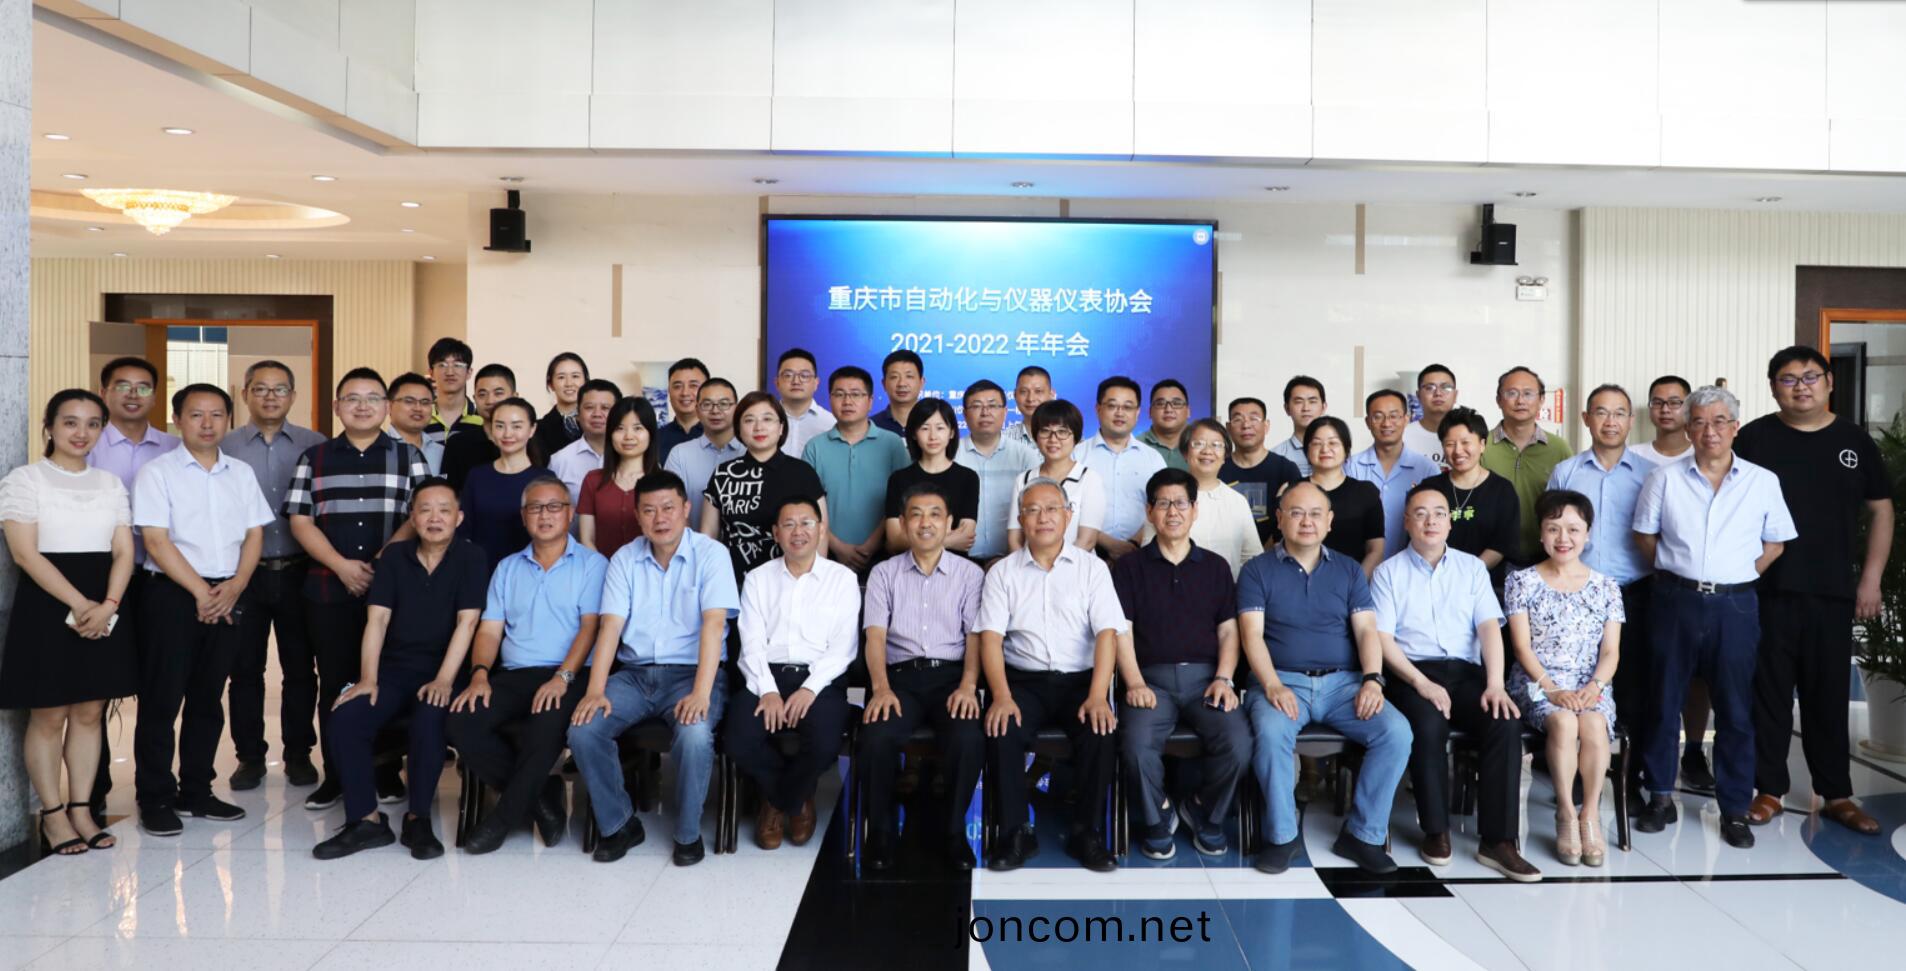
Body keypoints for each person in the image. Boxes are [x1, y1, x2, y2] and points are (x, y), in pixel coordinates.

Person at [1632, 386, 1796, 849]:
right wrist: (1680, 574)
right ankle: (1659, 796)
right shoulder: (1664, 479)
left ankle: (1735, 809)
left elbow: (1775, 544)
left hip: (1736, 606)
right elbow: (1645, 536)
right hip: (1675, 600)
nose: (1710, 431)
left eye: (1720, 421)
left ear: (1735, 427)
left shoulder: (1762, 481)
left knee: (1736, 709)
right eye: (1700, 422)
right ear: (1688, 429)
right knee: (1664, 700)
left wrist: (1738, 576)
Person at [1737, 346, 1892, 835]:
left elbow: (1881, 510)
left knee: (1827, 695)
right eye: (1788, 379)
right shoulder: (1754, 438)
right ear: (1773, 388)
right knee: (1769, 694)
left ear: (1829, 382)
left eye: (1810, 376)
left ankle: (1837, 794)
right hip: (1767, 589)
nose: (1800, 386)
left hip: (1832, 591)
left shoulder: (1854, 441)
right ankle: (1769, 789)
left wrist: (1871, 579)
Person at [1237, 482, 1411, 876]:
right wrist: (1272, 684)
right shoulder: (1257, 570)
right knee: (1270, 733)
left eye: (1316, 513)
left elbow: (1366, 631)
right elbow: (1251, 636)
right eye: (1296, 512)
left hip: (1344, 685)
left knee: (1396, 732)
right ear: (1279, 518)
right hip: (1282, 682)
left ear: (1329, 521)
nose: (1306, 521)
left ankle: (1363, 835)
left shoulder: (1349, 570)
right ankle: (1282, 837)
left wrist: (1372, 680)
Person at [569, 471, 740, 866]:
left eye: (668, 508)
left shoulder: (711, 554)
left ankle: (688, 834)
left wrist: (700, 693)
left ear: (686, 508)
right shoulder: (625, 558)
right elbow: (610, 627)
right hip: (633, 675)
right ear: (637, 516)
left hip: (691, 674)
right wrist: (595, 690)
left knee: (694, 734)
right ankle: (619, 824)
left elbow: (714, 624)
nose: (659, 518)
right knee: (583, 728)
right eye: (648, 510)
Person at [313, 477, 489, 860]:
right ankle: (366, 821)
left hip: (446, 669)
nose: (434, 518)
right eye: (425, 510)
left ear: (459, 517)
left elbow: (468, 623)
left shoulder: (472, 557)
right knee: (346, 717)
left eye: (444, 510)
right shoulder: (395, 557)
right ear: (412, 517)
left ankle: (418, 818)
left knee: (429, 718)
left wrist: (444, 679)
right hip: (393, 668)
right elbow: (376, 620)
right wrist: (368, 678)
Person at [285, 368, 433, 812]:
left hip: (395, 593)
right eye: (352, 398)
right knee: (335, 681)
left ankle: (384, 771)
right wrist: (341, 566)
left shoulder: (409, 457)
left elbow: (422, 516)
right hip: (328, 590)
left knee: (386, 679)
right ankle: (336, 776)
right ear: (337, 407)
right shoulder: (314, 458)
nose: (362, 406)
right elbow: (300, 520)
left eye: (372, 398)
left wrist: (381, 564)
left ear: (386, 406)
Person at [1374, 485, 1539, 880]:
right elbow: (1382, 640)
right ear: (1406, 521)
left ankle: (1498, 841)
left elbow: (1489, 628)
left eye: (1438, 513)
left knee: (1504, 721)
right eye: (1420, 513)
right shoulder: (1388, 572)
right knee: (1427, 724)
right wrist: (1421, 683)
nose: (1430, 521)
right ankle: (1436, 830)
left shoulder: (1472, 569)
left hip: (1466, 674)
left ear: (1450, 522)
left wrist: (1495, 684)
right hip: (1412, 673)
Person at [132, 383, 276, 836]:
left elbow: (254, 534)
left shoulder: (240, 472)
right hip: (171, 595)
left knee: (208, 698)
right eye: (196, 414)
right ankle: (155, 797)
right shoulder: (157, 472)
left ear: (228, 420)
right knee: (162, 700)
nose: (208, 423)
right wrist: (201, 591)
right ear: (178, 420)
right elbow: (155, 540)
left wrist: (236, 585)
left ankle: (196, 790)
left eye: (217, 414)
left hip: (229, 592)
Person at [0, 390, 136, 856]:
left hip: (104, 601)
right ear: (50, 427)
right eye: (71, 422)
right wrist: (81, 604)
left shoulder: (109, 483)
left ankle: (82, 809)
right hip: (47, 604)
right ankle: (54, 816)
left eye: (93, 424)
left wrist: (109, 604)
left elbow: (124, 550)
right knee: (49, 713)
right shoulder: (25, 480)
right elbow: (25, 554)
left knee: (89, 712)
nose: (82, 433)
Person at [448, 475, 607, 854]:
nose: (545, 515)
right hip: (514, 674)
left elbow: (590, 628)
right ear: (523, 516)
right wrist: (480, 675)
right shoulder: (507, 567)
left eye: (554, 507)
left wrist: (562, 677)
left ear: (570, 513)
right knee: (459, 720)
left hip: (570, 674)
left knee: (545, 725)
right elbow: (489, 631)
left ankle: (501, 821)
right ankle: (540, 797)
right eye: (535, 508)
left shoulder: (593, 564)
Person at [980, 477, 1126, 873]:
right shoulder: (1002, 573)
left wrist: (1098, 695)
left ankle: (1086, 832)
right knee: (1001, 729)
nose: (1042, 517)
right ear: (1021, 519)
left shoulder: (1093, 569)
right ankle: (1014, 833)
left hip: (1080, 682)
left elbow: (1107, 634)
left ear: (1068, 515)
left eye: (1051, 509)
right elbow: (990, 639)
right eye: (1032, 510)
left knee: (1101, 731)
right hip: (1023, 682)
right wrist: (1001, 696)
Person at [1114, 469, 1250, 861]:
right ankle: (1158, 817)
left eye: (1180, 503)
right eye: (1162, 503)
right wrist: (1134, 682)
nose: (1172, 512)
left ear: (1194, 510)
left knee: (1239, 744)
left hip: (1206, 681)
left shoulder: (1216, 567)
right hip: (1150, 682)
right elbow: (1121, 632)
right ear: (1149, 512)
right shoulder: (1129, 568)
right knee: (1136, 746)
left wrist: (1224, 678)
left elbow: (1229, 631)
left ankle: (1204, 811)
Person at [859, 482, 987, 871]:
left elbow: (975, 637)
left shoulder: (970, 574)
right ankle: (881, 832)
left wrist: (968, 686)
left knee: (967, 737)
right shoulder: (884, 573)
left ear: (949, 523)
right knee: (876, 736)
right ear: (902, 523)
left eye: (935, 515)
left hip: (951, 679)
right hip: (899, 679)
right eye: (916, 515)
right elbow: (875, 637)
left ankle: (953, 831)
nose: (925, 523)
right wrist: (880, 688)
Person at [725, 497, 858, 850]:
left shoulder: (842, 579)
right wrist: (768, 690)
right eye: (789, 524)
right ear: (775, 533)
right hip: (764, 675)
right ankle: (794, 798)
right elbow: (750, 642)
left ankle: (778, 800)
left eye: (806, 523)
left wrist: (810, 689)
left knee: (826, 742)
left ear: (821, 529)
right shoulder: (757, 579)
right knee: (736, 738)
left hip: (821, 679)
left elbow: (843, 648)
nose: (798, 532)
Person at [220, 360, 326, 792]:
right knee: (244, 669)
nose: (270, 397)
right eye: (260, 388)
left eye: (280, 389)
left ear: (293, 396)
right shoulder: (224, 445)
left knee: (301, 668)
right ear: (245, 394)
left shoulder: (315, 445)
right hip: (243, 575)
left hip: (300, 570)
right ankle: (249, 757)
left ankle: (299, 754)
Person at [1546, 384, 1655, 803]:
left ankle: (1631, 781)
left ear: (1631, 420)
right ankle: (1578, 776)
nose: (1611, 422)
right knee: (1579, 685)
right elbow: (1553, 534)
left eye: (1619, 413)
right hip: (1578, 595)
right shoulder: (1567, 472)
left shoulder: (1650, 474)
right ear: (1586, 418)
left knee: (1635, 689)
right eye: (1602, 412)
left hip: (1636, 592)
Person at [1506, 490, 1625, 868]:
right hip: (1536, 682)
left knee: (1593, 723)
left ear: (1587, 534)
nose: (1563, 538)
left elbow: (1611, 652)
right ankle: (1565, 813)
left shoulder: (1606, 586)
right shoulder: (1521, 581)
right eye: (1553, 528)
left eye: (1573, 529)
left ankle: (1589, 814)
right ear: (1541, 533)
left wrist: (1595, 687)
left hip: (1591, 683)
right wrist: (1553, 689)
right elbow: (1522, 647)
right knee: (1563, 721)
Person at [702, 391, 829, 580]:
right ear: (738, 429)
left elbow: (820, 532)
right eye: (749, 420)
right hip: (733, 581)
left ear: (781, 427)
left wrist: (814, 582)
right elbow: (708, 536)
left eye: (767, 419)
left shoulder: (802, 472)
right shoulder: (723, 474)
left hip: (791, 582)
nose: (759, 427)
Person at [804, 366, 910, 574]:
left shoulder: (892, 444)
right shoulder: (815, 447)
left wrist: (872, 544)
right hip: (828, 555)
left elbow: (903, 499)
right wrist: (837, 546)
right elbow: (807, 506)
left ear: (870, 401)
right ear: (830, 399)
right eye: (839, 394)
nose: (847, 401)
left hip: (885, 555)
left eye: (856, 394)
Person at [1137, 419, 1259, 576]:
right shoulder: (1166, 496)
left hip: (1226, 588)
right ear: (1185, 452)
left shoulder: (1238, 501)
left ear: (1225, 456)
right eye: (1199, 444)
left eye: (1216, 445)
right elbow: (1148, 552)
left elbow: (1252, 557)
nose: (1207, 451)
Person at [1481, 367, 1573, 567]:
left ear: (1541, 400)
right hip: (1491, 557)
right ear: (1498, 400)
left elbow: (1570, 505)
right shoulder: (1481, 446)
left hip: (1547, 557)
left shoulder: (1559, 448)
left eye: (1528, 393)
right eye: (1512, 393)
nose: (1520, 401)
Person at [1423, 407, 1521, 589]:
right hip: (1434, 583)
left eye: (1465, 442)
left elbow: (1501, 544)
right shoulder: (1429, 488)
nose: (1458, 450)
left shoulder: (1502, 490)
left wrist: (1466, 575)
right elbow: (1419, 536)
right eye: (1450, 444)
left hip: (1485, 586)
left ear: (1482, 444)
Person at [1074, 376, 1168, 560]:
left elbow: (1163, 505)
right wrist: (1109, 544)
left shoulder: (1153, 458)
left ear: (1138, 412)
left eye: (1127, 407)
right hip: (1087, 554)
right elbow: (1068, 508)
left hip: (1141, 555)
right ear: (1098, 409)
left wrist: (1134, 543)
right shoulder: (1076, 455)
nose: (1120, 413)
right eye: (1112, 406)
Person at [955, 378, 1039, 565]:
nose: (985, 412)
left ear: (1005, 412)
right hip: (958, 561)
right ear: (965, 414)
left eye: (993, 406)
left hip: (1012, 560)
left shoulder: (1025, 456)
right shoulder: (950, 454)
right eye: (977, 406)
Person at [1349, 389, 1438, 558]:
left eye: (1394, 416)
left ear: (1406, 419)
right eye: (1378, 416)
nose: (1386, 423)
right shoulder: (1350, 467)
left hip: (1411, 567)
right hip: (1360, 565)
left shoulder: (1426, 469)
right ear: (1368, 422)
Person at [459, 397, 545, 571]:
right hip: (482, 572)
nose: (507, 434)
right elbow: (463, 531)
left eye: (516, 426)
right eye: (499, 426)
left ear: (532, 429)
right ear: (490, 430)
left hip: (530, 573)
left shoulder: (545, 479)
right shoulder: (477, 476)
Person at [884, 398, 979, 554]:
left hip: (954, 564)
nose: (933, 436)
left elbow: (965, 536)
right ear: (914, 434)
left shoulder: (968, 477)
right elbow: (895, 539)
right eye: (925, 428)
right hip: (908, 563)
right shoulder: (898, 479)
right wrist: (949, 541)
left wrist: (915, 539)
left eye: (940, 428)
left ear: (951, 432)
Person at [1007, 400, 1104, 553]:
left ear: (1076, 437)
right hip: (1028, 566)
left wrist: (1057, 566)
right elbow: (1014, 539)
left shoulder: (1090, 478)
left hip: (1078, 565)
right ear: (1036, 436)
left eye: (1062, 432)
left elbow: (1087, 540)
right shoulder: (1024, 480)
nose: (1053, 439)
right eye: (1045, 431)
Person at [1304, 416, 1385, 577]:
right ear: (1307, 450)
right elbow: (1281, 545)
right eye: (1317, 443)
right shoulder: (1293, 492)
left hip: (1352, 582)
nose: (1325, 449)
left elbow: (1376, 550)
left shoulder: (1366, 493)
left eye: (1333, 443)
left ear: (1346, 449)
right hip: (1299, 583)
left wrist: (1356, 584)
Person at [579, 396, 659, 558]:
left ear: (650, 433)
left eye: (637, 428)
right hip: (601, 571)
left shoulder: (664, 482)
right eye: (620, 428)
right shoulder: (593, 481)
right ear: (610, 434)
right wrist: (607, 569)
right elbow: (586, 539)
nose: (628, 436)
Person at [1220, 396, 1304, 543]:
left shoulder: (1286, 469)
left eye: (1254, 418)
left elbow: (1296, 517)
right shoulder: (1217, 469)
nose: (1246, 425)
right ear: (1228, 427)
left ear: (1266, 426)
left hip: (1275, 553)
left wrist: (1267, 551)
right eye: (1238, 419)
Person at [662, 377, 742, 523]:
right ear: (697, 410)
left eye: (724, 404)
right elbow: (670, 507)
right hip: (693, 537)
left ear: (737, 409)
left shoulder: (750, 451)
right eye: (707, 404)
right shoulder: (680, 454)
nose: (715, 410)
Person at [441, 363, 521, 492]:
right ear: (474, 399)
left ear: (514, 397)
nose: (490, 401)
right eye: (482, 394)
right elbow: (449, 494)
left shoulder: (529, 442)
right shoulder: (458, 444)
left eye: (498, 393)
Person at [548, 378, 622, 507]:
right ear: (578, 412)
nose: (597, 414)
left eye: (605, 408)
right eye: (589, 407)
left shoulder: (635, 457)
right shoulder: (560, 461)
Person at [775, 347, 836, 458]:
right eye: (788, 375)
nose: (796, 381)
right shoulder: (763, 422)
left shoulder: (831, 424)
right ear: (777, 382)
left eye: (804, 376)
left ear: (816, 383)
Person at [423, 337, 483, 446]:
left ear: (469, 372)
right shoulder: (421, 417)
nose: (450, 372)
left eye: (457, 365)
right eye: (442, 365)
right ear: (431, 373)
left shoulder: (481, 420)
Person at [386, 372, 446, 474]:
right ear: (389, 406)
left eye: (425, 402)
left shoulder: (442, 453)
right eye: (409, 401)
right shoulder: (376, 450)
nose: (418, 408)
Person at [533, 352, 589, 458]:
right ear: (551, 384)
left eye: (575, 376)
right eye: (561, 377)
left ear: (585, 381)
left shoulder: (597, 423)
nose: (569, 383)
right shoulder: (538, 429)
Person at [655, 357, 709, 466]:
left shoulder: (720, 435)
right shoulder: (655, 439)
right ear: (669, 391)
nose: (685, 393)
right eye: (677, 386)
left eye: (693, 385)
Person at [1630, 375, 1693, 466]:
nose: (1665, 410)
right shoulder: (1633, 455)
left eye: (1674, 403)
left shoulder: (1702, 454)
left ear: (1689, 407)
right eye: (1657, 403)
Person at [1404, 365, 1458, 467]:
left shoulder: (1470, 435)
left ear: (1455, 395)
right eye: (1429, 388)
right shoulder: (1402, 436)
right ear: (1418, 395)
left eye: (1446, 387)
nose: (1438, 393)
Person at [1271, 376, 1326, 476]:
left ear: (1324, 407)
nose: (1306, 408)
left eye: (1312, 401)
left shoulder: (1337, 453)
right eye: (1298, 402)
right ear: (1287, 408)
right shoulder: (1276, 456)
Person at [1138, 379, 1192, 471]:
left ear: (1188, 411)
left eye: (1176, 403)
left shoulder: (1203, 445)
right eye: (1160, 404)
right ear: (1150, 412)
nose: (1168, 410)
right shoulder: (1137, 446)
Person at [871, 349, 924, 436]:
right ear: (884, 384)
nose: (902, 383)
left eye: (909, 376)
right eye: (894, 377)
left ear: (921, 382)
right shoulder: (871, 427)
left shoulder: (934, 424)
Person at [1005, 365, 1055, 450]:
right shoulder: (1004, 440)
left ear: (1051, 395)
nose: (1031, 399)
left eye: (1038, 391)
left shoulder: (1067, 439)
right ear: (1015, 395)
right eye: (1024, 392)